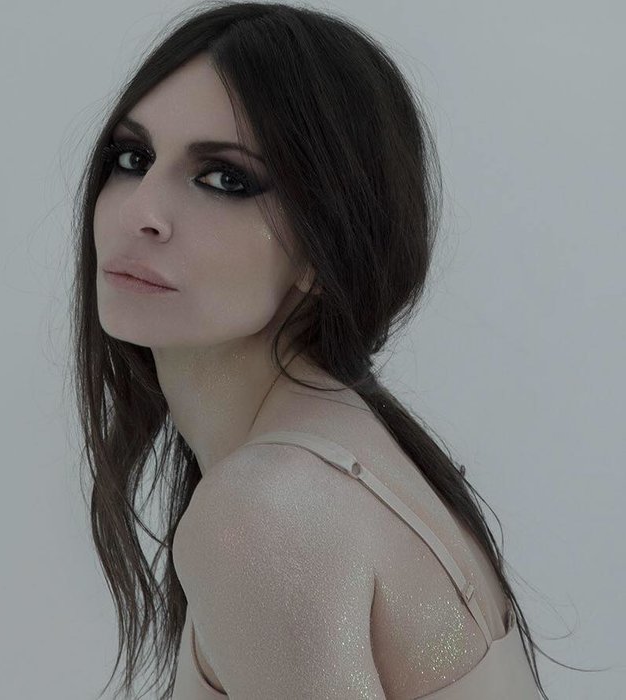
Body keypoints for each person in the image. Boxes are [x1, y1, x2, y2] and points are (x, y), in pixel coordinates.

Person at [70, 2, 569, 698]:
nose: (140, 212)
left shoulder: (268, 511)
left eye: (225, 179)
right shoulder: (340, 447)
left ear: (322, 246)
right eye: (133, 159)